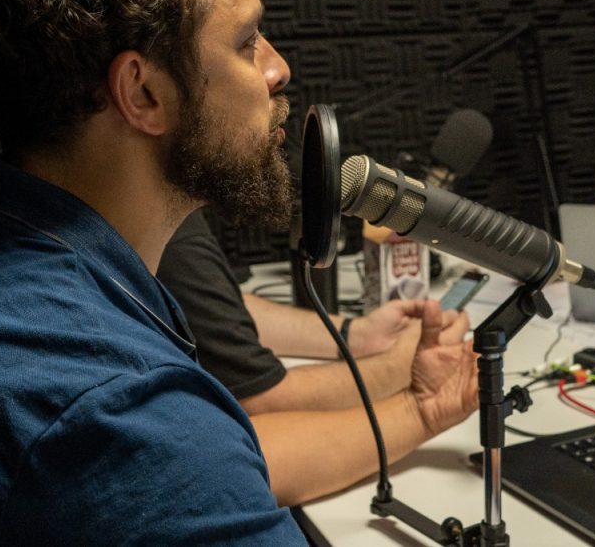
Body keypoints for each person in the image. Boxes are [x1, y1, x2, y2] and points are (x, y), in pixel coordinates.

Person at [0, 0, 478, 543]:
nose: (277, 68)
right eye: (246, 42)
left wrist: (416, 403)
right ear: (143, 94)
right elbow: (169, 459)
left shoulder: (19, 266)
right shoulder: (113, 405)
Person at [157, 208, 471, 504]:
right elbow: (253, 404)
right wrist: (407, 381)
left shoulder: (157, 219)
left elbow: (214, 309)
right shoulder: (165, 219)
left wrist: (355, 334)